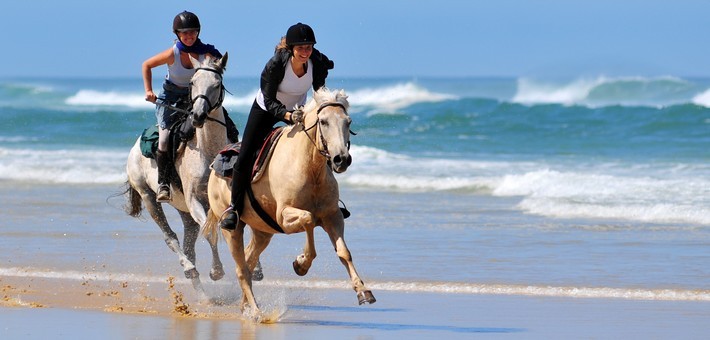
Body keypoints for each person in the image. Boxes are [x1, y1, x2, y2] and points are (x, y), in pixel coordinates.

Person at [219, 22, 334, 230]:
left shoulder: (316, 61)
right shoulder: (275, 65)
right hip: (266, 110)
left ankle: (328, 202)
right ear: (291, 48)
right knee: (245, 155)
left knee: (321, 145)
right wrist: (287, 115)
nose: (305, 52)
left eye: (309, 47)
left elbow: (320, 93)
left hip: (298, 109)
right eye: (300, 48)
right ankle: (234, 208)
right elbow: (269, 100)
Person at [142, 11, 222, 203]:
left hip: (196, 97)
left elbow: (217, 71)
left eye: (192, 33)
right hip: (170, 99)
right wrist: (149, 91)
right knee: (164, 139)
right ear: (177, 34)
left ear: (198, 32)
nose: (188, 36)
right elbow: (146, 65)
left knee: (227, 128)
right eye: (184, 33)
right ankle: (163, 184)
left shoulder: (207, 52)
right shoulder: (173, 53)